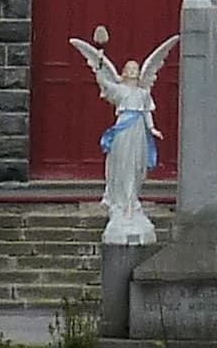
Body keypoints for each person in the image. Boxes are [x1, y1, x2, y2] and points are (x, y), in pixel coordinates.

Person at [68, 26, 180, 243]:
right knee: (122, 164)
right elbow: (104, 83)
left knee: (136, 165)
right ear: (123, 71)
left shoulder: (143, 93)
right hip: (123, 129)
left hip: (138, 130)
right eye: (129, 68)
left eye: (135, 68)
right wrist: (99, 63)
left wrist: (152, 128)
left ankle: (132, 200)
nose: (133, 70)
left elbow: (147, 112)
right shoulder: (119, 91)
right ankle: (121, 202)